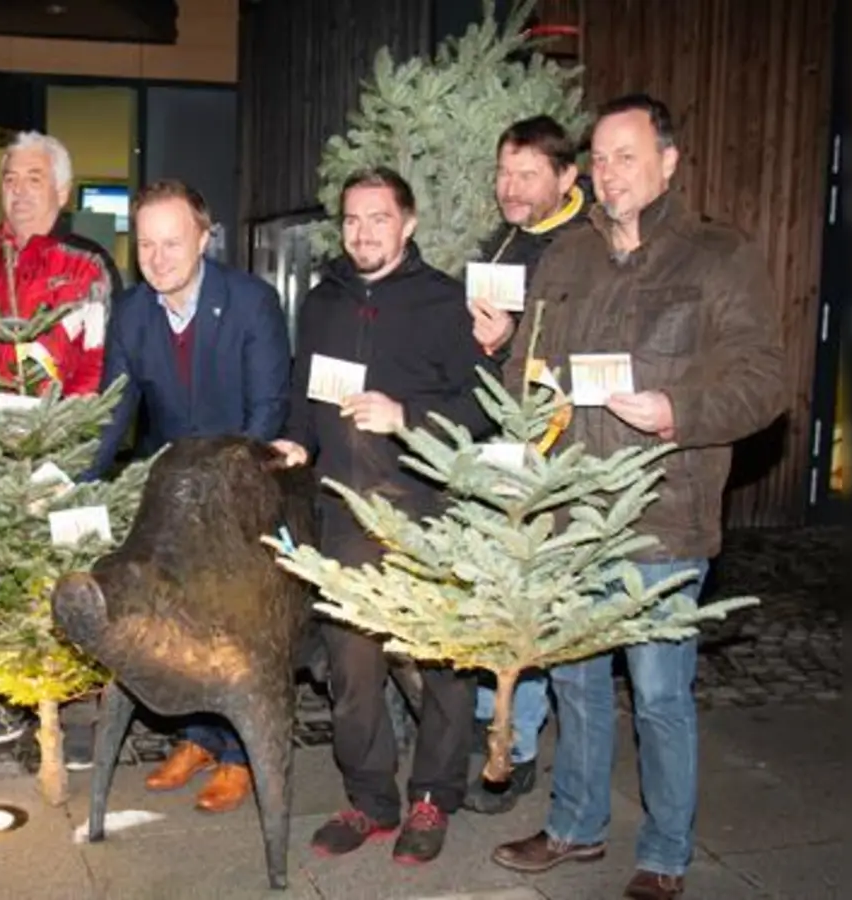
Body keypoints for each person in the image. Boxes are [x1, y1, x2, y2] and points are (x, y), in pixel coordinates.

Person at [488, 94, 785, 900]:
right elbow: (528, 369)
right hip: (571, 514)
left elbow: (764, 382)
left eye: (628, 155)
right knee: (580, 685)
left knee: (658, 695)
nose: (610, 173)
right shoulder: (567, 259)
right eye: (601, 158)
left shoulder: (719, 258)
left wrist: (679, 412)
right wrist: (526, 394)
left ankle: (663, 853)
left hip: (662, 517)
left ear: (668, 162)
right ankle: (576, 829)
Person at [271, 166, 496, 866]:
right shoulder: (322, 301)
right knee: (351, 670)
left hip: (427, 513)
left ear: (409, 224)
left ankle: (434, 795)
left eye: (378, 218)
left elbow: (484, 405)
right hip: (345, 513)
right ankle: (370, 798)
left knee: (442, 669)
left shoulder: (445, 303)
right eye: (352, 220)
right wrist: (295, 441)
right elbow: (303, 390)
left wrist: (407, 416)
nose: (363, 232)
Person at [84, 178, 290, 813]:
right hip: (169, 496)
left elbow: (267, 410)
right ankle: (197, 737)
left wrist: (220, 496)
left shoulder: (251, 302)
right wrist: (78, 481)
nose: (158, 257)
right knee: (173, 619)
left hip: (240, 489)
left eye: (172, 242)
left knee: (231, 622)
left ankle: (236, 753)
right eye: (146, 243)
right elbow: (113, 413)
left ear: (204, 237)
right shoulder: (133, 312)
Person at [0, 130, 122, 760]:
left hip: (63, 461)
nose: (18, 190)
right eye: (10, 178)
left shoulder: (88, 267)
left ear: (62, 191)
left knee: (73, 581)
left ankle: (81, 713)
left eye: (34, 178)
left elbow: (98, 367)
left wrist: (70, 453)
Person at [465, 114, 592, 815]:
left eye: (526, 175)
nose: (509, 188)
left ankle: (515, 747)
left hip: (558, 455)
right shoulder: (504, 239)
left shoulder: (589, 247)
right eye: (503, 173)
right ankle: (496, 728)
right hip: (499, 448)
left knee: (534, 603)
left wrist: (513, 344)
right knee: (497, 591)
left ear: (567, 177)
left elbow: (588, 352)